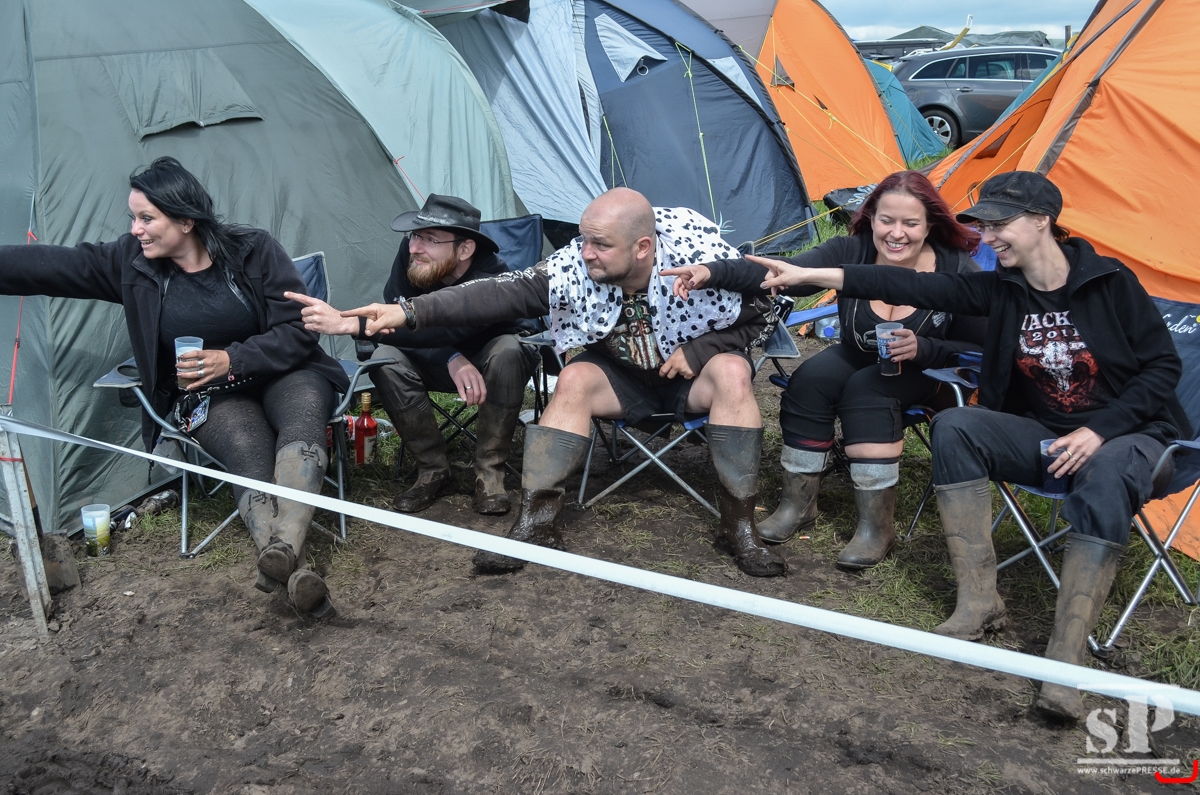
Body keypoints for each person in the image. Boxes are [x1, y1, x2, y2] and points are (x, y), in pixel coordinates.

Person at [747, 171, 1190, 722]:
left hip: (1131, 439)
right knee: (957, 425)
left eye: (1001, 225)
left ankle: (1065, 662)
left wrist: (1100, 430)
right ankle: (980, 603)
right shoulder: (1002, 289)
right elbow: (910, 286)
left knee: (1106, 468)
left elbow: (1162, 368)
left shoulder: (1111, 282)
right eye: (985, 225)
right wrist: (809, 273)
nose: (989, 237)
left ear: (1042, 222)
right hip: (1046, 434)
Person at [343, 188, 785, 577]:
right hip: (622, 379)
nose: (585, 253)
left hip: (692, 378)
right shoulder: (573, 268)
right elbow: (497, 291)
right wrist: (408, 312)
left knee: (733, 371)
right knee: (573, 377)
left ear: (643, 247)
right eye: (583, 239)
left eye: (601, 244)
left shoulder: (698, 261)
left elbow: (767, 307)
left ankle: (739, 528)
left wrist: (704, 349)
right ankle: (535, 523)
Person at [0, 157, 349, 618]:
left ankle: (282, 547)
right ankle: (296, 570)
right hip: (209, 393)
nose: (136, 229)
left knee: (303, 416)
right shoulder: (132, 263)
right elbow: (52, 266)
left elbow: (299, 328)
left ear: (186, 220)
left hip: (288, 371)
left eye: (147, 218)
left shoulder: (253, 250)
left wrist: (233, 358)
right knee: (245, 447)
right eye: (133, 217)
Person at [664, 171, 986, 570]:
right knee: (810, 380)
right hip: (860, 354)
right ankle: (797, 506)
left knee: (868, 390)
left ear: (930, 224)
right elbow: (784, 272)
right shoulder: (853, 250)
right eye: (886, 220)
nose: (896, 233)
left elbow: (979, 350)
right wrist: (710, 272)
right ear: (871, 218)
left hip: (932, 372)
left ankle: (876, 529)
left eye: (910, 223)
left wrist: (925, 348)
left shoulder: (957, 270)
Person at [286, 194, 538, 515]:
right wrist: (450, 358)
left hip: (495, 366)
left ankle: (490, 474)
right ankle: (433, 469)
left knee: (508, 350)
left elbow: (449, 327)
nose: (415, 247)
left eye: (430, 239)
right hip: (438, 362)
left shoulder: (490, 278)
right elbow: (399, 327)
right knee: (386, 358)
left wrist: (352, 324)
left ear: (465, 249)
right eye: (415, 235)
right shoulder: (413, 258)